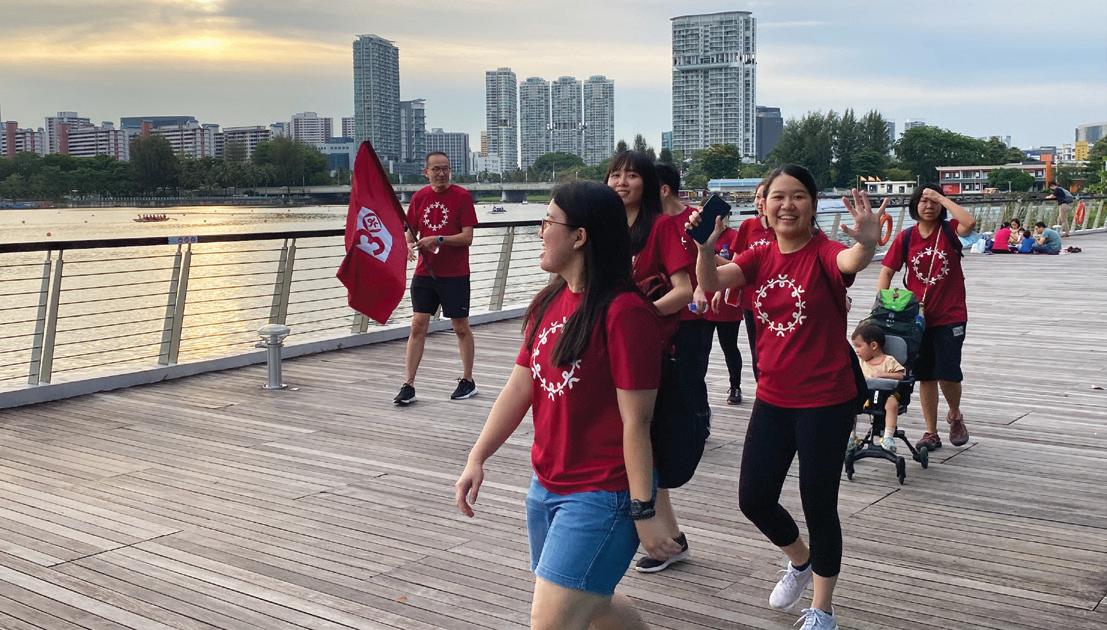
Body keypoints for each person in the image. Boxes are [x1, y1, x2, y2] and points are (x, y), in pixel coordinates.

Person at [454, 181, 681, 630]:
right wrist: (477, 457)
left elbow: (637, 422)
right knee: (593, 604)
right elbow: (520, 387)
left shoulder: (625, 313)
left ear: (579, 236)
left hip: (604, 493)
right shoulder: (549, 301)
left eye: (548, 222)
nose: (540, 232)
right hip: (546, 485)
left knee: (553, 621)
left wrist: (644, 511)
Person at [692, 164, 887, 630]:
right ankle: (800, 560)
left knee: (818, 503)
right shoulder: (759, 255)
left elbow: (851, 261)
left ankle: (823, 609)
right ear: (764, 206)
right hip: (774, 397)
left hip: (826, 400)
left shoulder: (824, 253)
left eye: (798, 195)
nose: (787, 205)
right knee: (754, 498)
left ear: (813, 204)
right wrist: (704, 248)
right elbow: (713, 282)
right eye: (778, 196)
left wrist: (867, 243)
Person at [606, 152, 698, 574]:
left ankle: (662, 535)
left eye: (631, 175)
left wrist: (642, 318)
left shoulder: (660, 228)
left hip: (647, 349)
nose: (622, 182)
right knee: (626, 439)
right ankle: (668, 536)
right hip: (604, 349)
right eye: (615, 175)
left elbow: (684, 290)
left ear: (647, 184)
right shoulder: (602, 228)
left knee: (643, 438)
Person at [878, 185, 975, 453]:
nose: (928, 206)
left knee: (948, 373)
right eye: (923, 201)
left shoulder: (949, 230)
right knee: (926, 375)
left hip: (951, 314)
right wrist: (883, 306)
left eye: (933, 201)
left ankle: (955, 414)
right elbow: (887, 271)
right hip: (917, 318)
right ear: (914, 206)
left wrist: (941, 197)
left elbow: (969, 223)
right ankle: (931, 432)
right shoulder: (907, 237)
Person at [395, 152, 479, 405]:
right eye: (436, 169)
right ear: (426, 172)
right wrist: (408, 245)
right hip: (425, 272)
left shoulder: (462, 197)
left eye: (445, 168)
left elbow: (467, 237)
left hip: (455, 273)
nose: (441, 173)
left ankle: (468, 380)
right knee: (417, 325)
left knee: (460, 327)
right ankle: (408, 384)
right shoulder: (419, 197)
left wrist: (439, 239)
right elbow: (410, 232)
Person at [734, 182, 775, 383]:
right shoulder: (748, 226)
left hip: (779, 297)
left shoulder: (784, 228)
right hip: (752, 299)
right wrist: (721, 289)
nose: (760, 202)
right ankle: (762, 388)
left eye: (765, 197)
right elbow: (736, 261)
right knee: (756, 348)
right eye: (757, 197)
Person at [849, 324, 906, 453]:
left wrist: (883, 375)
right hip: (867, 395)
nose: (856, 351)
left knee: (892, 403)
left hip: (887, 394)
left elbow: (901, 375)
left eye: (859, 346)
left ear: (873, 346)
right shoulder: (860, 363)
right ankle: (851, 436)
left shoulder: (888, 361)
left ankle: (888, 436)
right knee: (850, 403)